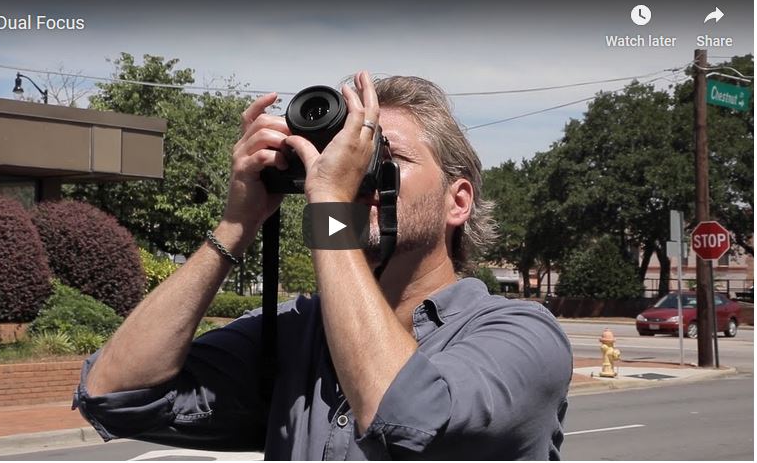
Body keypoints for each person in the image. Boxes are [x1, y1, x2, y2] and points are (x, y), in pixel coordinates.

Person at [73, 71, 573, 460]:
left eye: (383, 154)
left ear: (456, 202)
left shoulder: (521, 333)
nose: (355, 175)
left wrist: (330, 201)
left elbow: (407, 416)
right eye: (343, 156)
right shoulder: (296, 331)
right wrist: (236, 224)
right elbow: (113, 395)